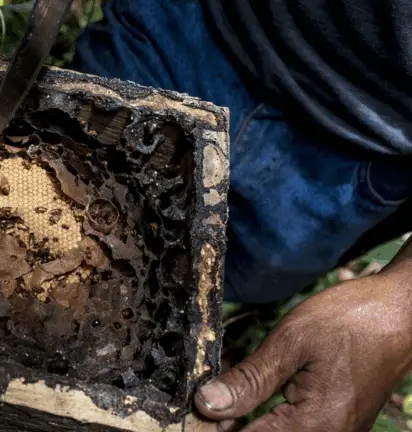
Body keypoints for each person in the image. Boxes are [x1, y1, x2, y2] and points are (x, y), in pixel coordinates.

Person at [71, 1, 412, 430]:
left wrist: (402, 307)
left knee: (203, 288)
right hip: (192, 24)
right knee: (69, 211)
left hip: (362, 161)